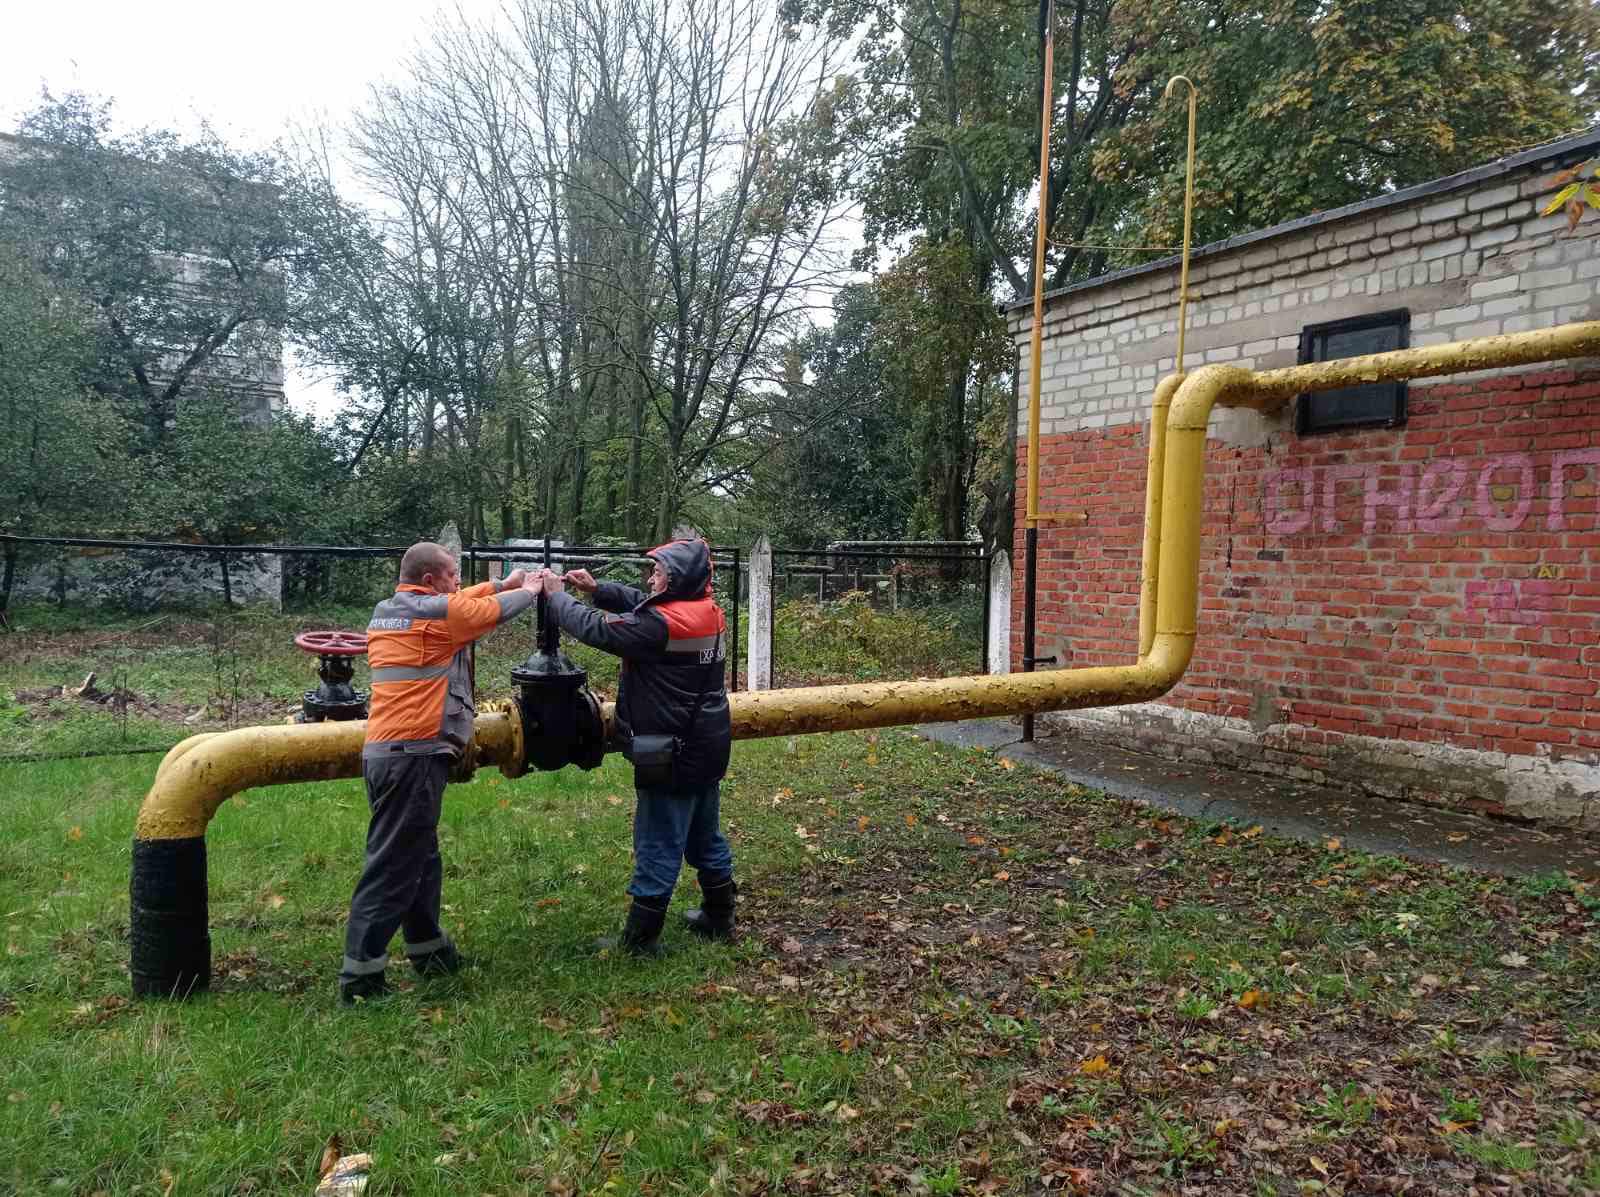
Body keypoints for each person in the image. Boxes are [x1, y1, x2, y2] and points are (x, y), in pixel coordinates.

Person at [339, 542, 540, 1004]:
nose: (457, 582)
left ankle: (430, 951)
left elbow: (463, 601)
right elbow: (481, 612)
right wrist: (526, 590)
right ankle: (360, 980)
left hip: (391, 751)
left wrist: (501, 582)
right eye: (452, 575)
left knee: (420, 859)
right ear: (430, 580)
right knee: (392, 867)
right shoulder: (434, 613)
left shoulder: (392, 609)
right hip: (413, 752)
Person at [538, 537, 736, 955]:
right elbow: (646, 603)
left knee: (658, 840)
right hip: (707, 743)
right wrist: (597, 589)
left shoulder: (662, 626)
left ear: (677, 579)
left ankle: (641, 939)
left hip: (671, 749)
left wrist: (557, 598)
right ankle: (720, 913)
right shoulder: (707, 611)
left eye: (658, 573)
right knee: (705, 835)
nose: (651, 579)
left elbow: (597, 629)